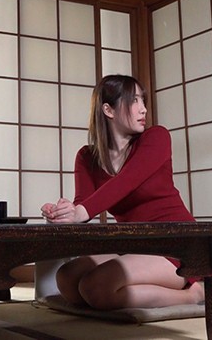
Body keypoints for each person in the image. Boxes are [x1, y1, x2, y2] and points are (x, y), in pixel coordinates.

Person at [40, 74, 203, 310]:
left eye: (143, 100)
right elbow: (84, 204)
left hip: (176, 245)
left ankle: (192, 295)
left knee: (96, 287)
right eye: (134, 100)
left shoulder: (156, 137)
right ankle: (121, 293)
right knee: (67, 278)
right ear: (108, 110)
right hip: (132, 248)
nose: (143, 108)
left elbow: (125, 183)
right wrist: (63, 213)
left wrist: (80, 211)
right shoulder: (87, 157)